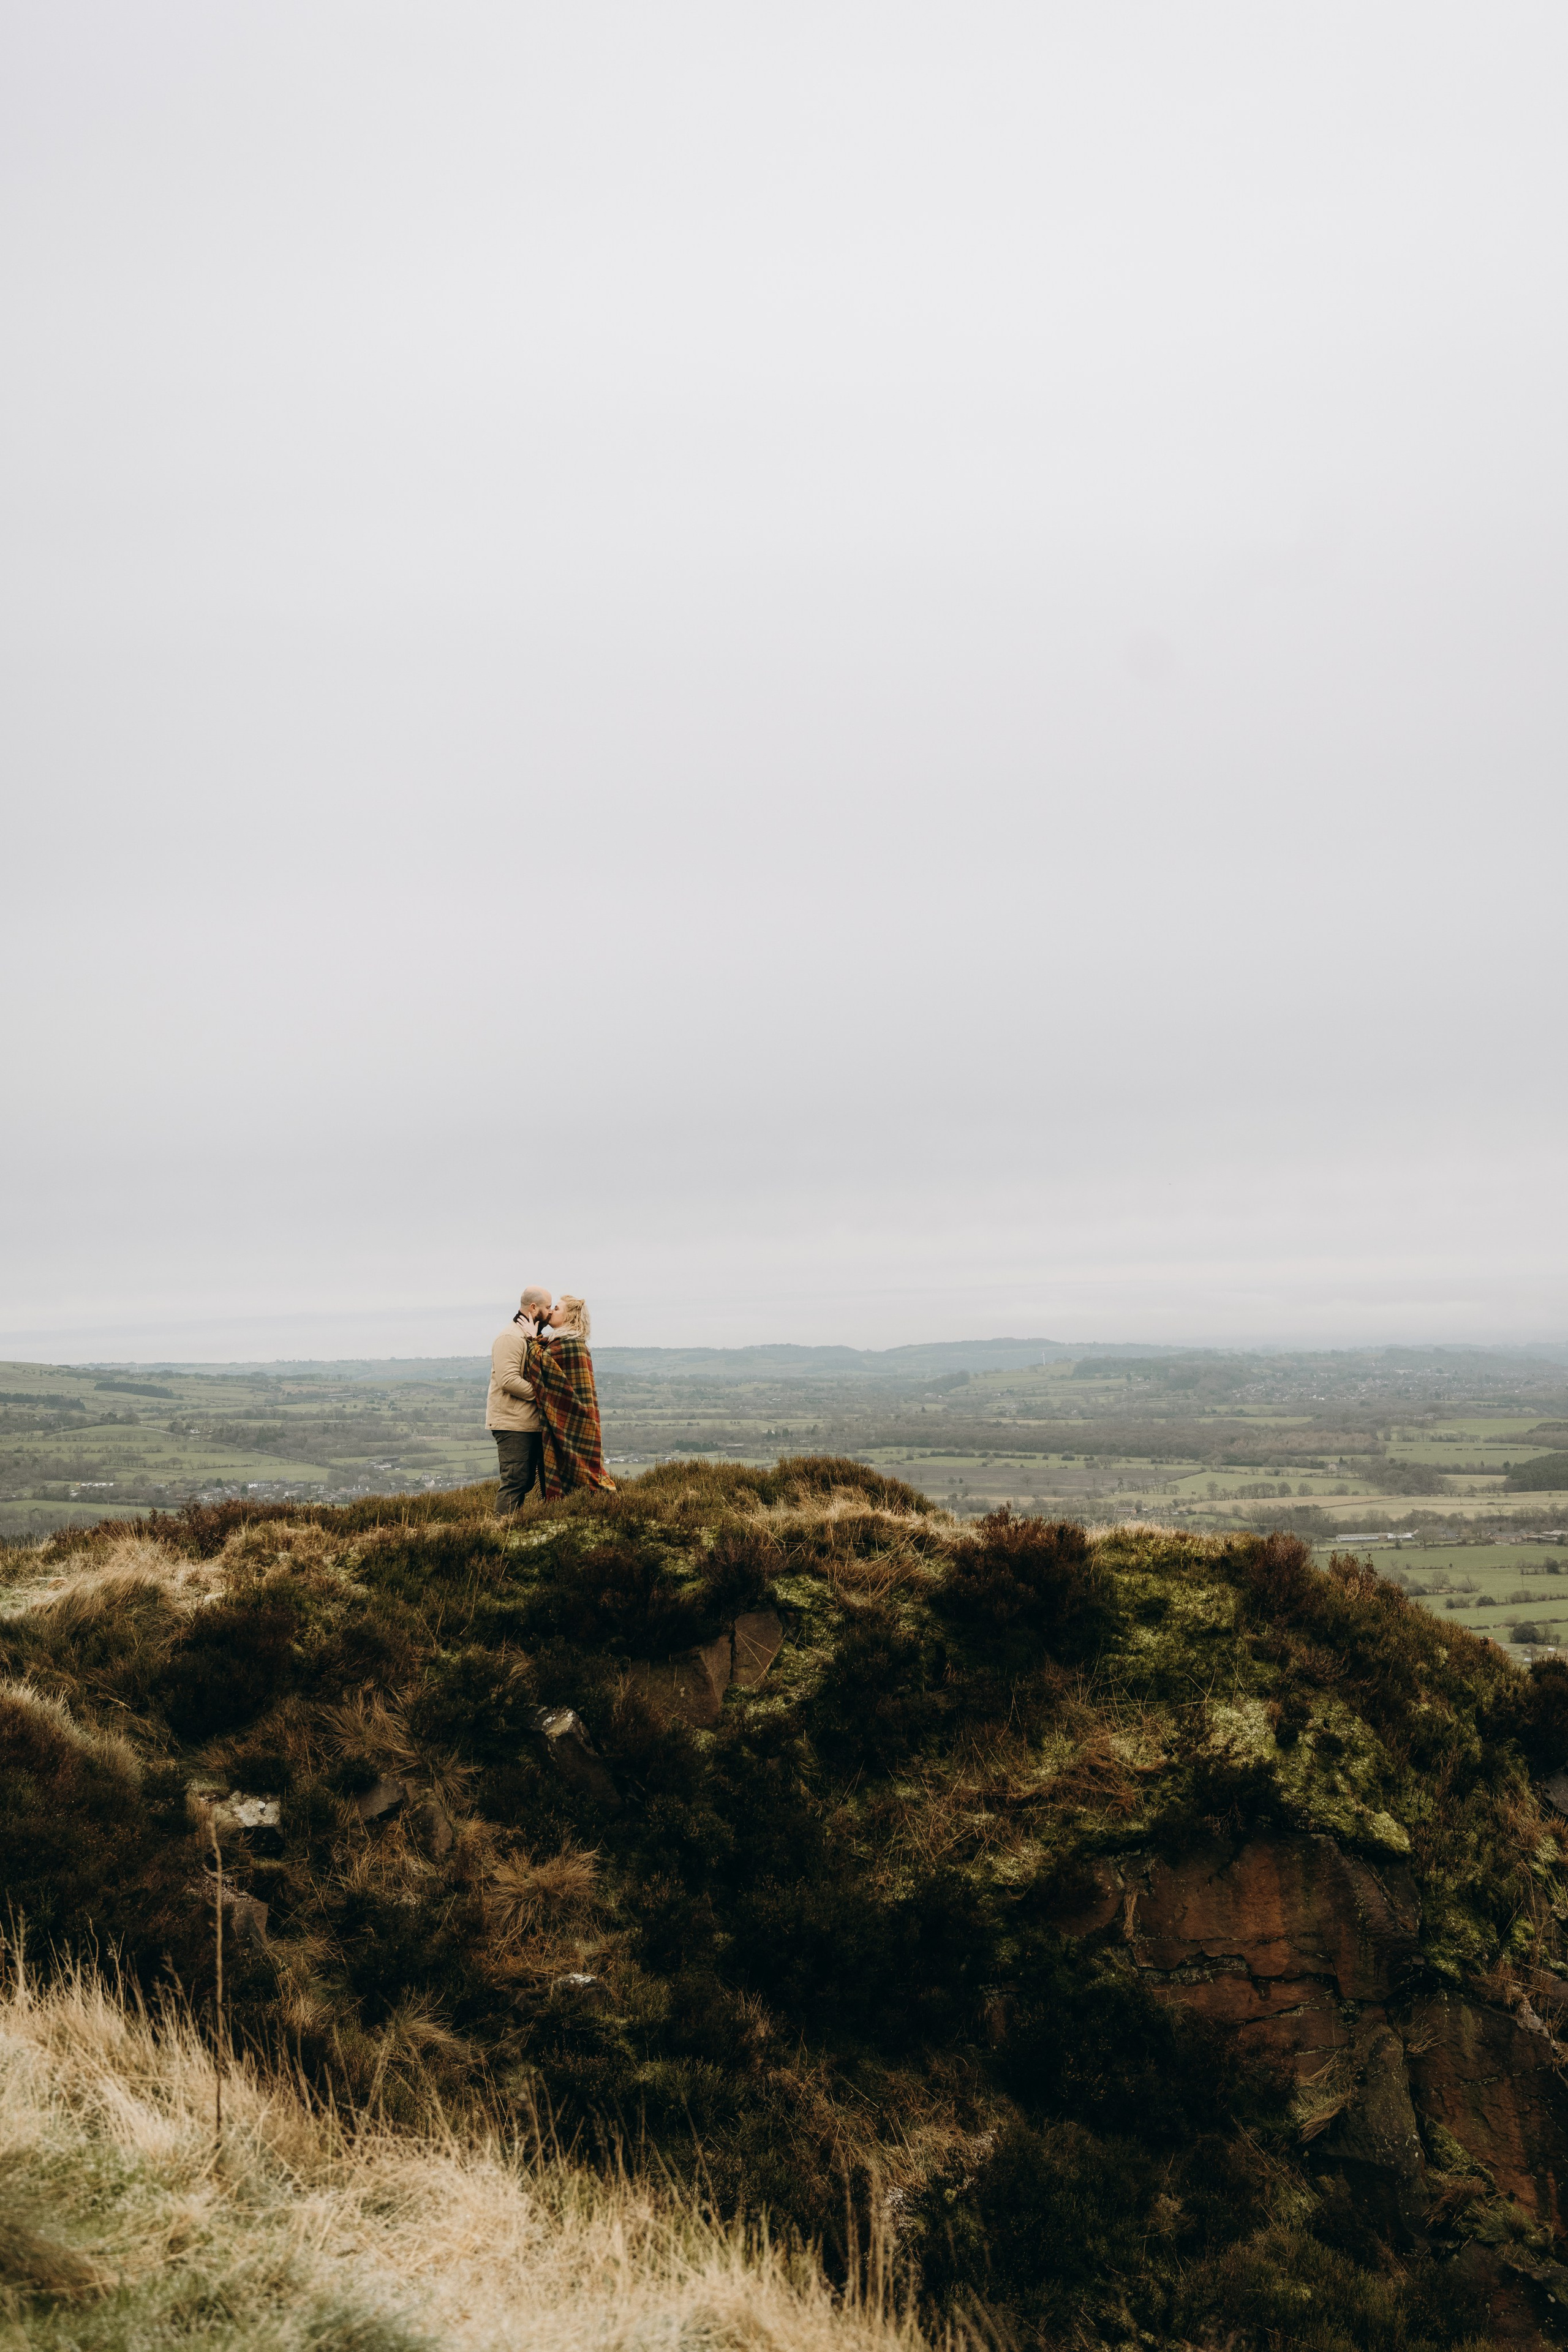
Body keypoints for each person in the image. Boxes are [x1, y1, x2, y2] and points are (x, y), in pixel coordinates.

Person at [527, 1293, 616, 1496]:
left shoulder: (570, 1344)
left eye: (557, 1309)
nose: (551, 1311)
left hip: (575, 1421)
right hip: (567, 1420)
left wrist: (532, 1341)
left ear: (569, 1317)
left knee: (579, 1471)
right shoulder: (559, 1341)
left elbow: (540, 1366)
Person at [486, 1285, 552, 1513]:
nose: (551, 1312)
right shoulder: (510, 1337)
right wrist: (544, 1396)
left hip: (528, 1423)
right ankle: (501, 1535)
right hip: (512, 1423)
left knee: (526, 1482)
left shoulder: (529, 1337)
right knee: (515, 1482)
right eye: (547, 1307)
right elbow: (508, 1380)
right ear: (533, 1308)